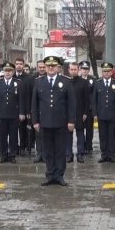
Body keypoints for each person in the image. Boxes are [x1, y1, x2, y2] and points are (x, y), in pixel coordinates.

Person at [33, 56, 76, 186]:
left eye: (53, 66)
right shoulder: (39, 82)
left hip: (61, 122)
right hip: (45, 122)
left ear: (58, 67)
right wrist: (35, 121)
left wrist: (71, 121)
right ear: (45, 67)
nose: (50, 68)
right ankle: (50, 174)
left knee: (60, 150)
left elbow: (71, 103)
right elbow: (34, 103)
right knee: (47, 150)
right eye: (48, 66)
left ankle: (59, 175)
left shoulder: (66, 81)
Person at [0, 62, 26, 163]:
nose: (7, 73)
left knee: (13, 136)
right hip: (1, 114)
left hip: (13, 114)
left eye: (9, 71)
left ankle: (12, 155)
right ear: (3, 72)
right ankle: (3, 154)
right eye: (5, 71)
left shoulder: (18, 83)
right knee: (2, 136)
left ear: (13, 72)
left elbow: (21, 99)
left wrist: (21, 113)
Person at [92, 62, 115, 163]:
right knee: (103, 135)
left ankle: (111, 155)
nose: (107, 73)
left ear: (111, 72)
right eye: (105, 71)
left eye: (108, 71)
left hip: (112, 113)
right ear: (102, 72)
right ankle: (104, 154)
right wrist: (95, 113)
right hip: (101, 113)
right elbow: (94, 100)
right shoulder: (97, 83)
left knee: (112, 135)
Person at [66, 62, 91, 163]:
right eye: (71, 69)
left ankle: (80, 153)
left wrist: (85, 112)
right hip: (68, 113)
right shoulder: (65, 82)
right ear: (68, 70)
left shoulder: (83, 82)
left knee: (80, 134)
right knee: (68, 134)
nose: (73, 71)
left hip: (80, 112)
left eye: (75, 69)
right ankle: (68, 154)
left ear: (78, 70)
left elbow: (87, 99)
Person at [29, 60, 47, 163]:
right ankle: (39, 153)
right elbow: (30, 96)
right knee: (37, 134)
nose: (42, 69)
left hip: (47, 111)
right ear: (37, 68)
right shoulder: (33, 80)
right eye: (40, 67)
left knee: (46, 135)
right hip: (36, 110)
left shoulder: (49, 79)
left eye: (43, 67)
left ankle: (45, 154)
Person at [79, 61, 95, 154]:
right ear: (80, 70)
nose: (85, 71)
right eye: (83, 69)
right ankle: (81, 146)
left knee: (89, 129)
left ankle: (88, 146)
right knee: (80, 128)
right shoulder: (77, 80)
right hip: (80, 108)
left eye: (86, 69)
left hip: (89, 109)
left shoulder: (92, 80)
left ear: (88, 70)